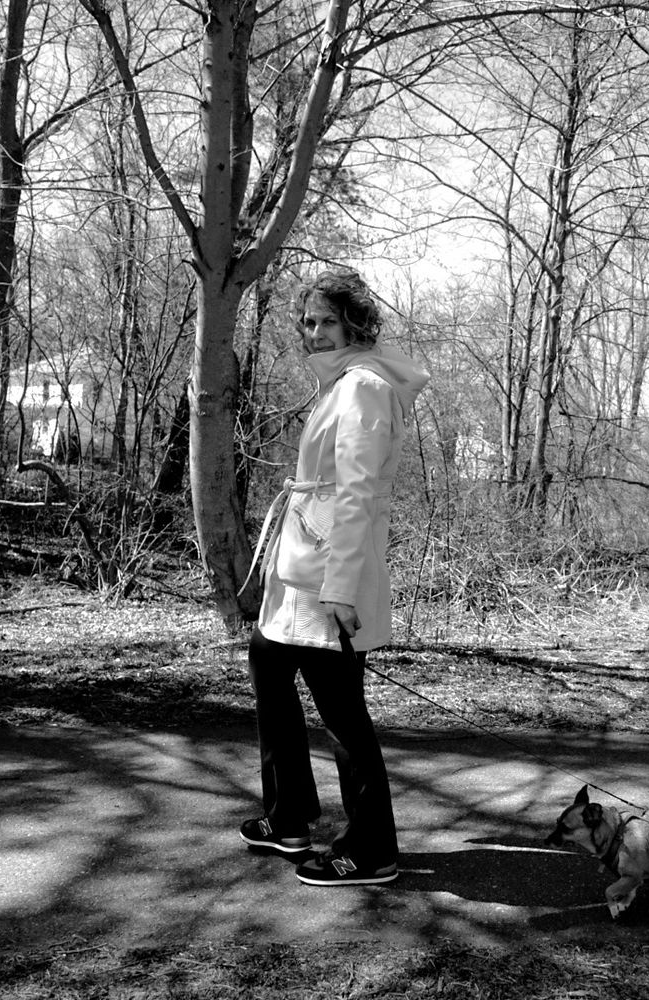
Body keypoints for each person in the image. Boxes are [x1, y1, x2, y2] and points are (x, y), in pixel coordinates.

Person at [239, 268, 430, 887]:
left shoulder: (364, 390)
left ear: (355, 322)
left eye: (324, 320)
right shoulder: (341, 385)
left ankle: (373, 849)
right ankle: (289, 815)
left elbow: (356, 497)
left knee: (343, 714)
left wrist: (342, 590)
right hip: (298, 572)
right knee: (267, 661)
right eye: (307, 320)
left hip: (328, 578)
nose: (311, 331)